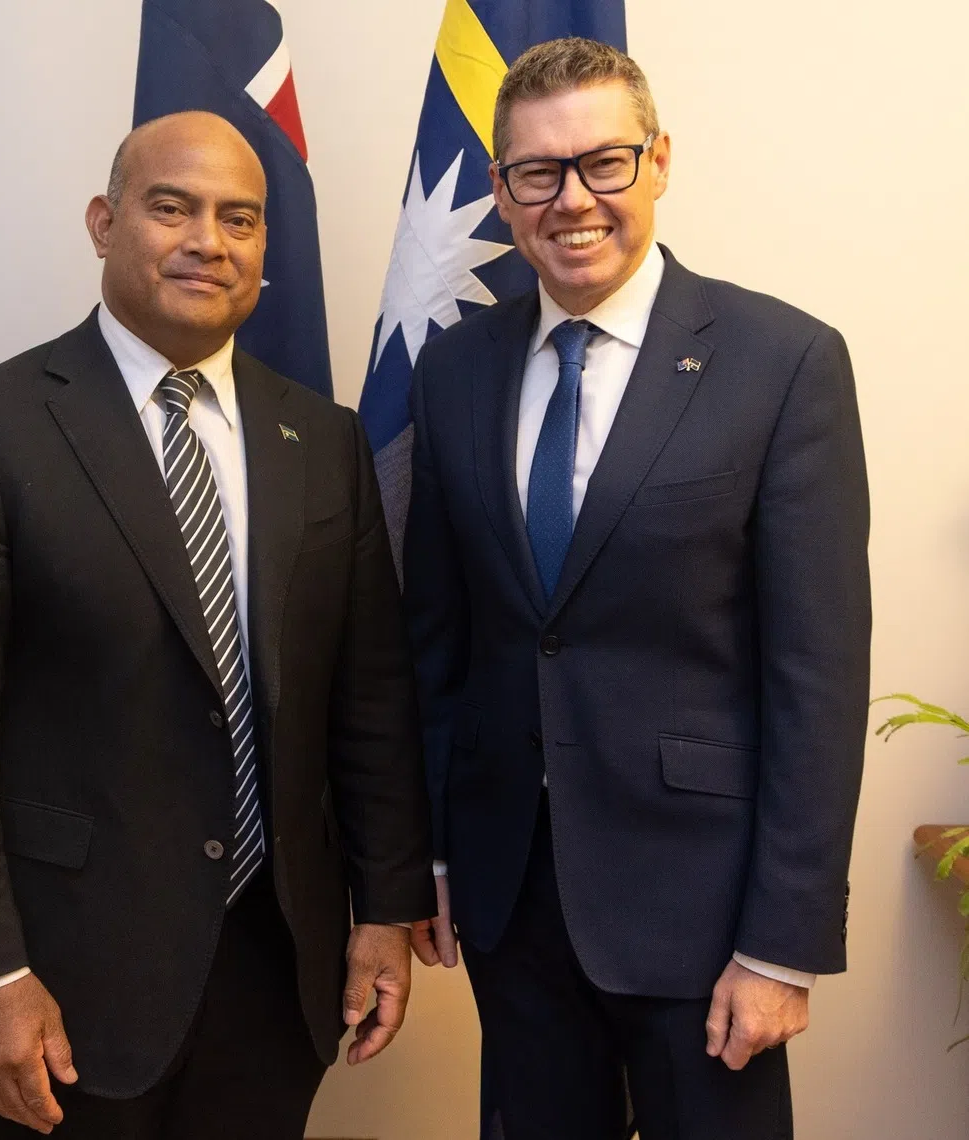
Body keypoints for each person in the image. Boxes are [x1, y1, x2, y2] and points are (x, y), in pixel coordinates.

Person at [0, 110, 435, 1140]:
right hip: (67, 979)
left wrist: (387, 910)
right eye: (170, 207)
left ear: (267, 247)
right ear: (104, 221)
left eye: (240, 218)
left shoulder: (323, 440)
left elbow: (369, 699)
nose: (206, 241)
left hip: (280, 972)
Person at [403, 37, 870, 1140]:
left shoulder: (782, 361)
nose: (572, 200)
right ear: (503, 190)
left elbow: (817, 677)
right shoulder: (456, 369)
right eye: (537, 172)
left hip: (706, 916)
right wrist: (426, 847)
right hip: (512, 900)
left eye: (603, 163)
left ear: (659, 161)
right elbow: (436, 639)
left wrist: (783, 941)